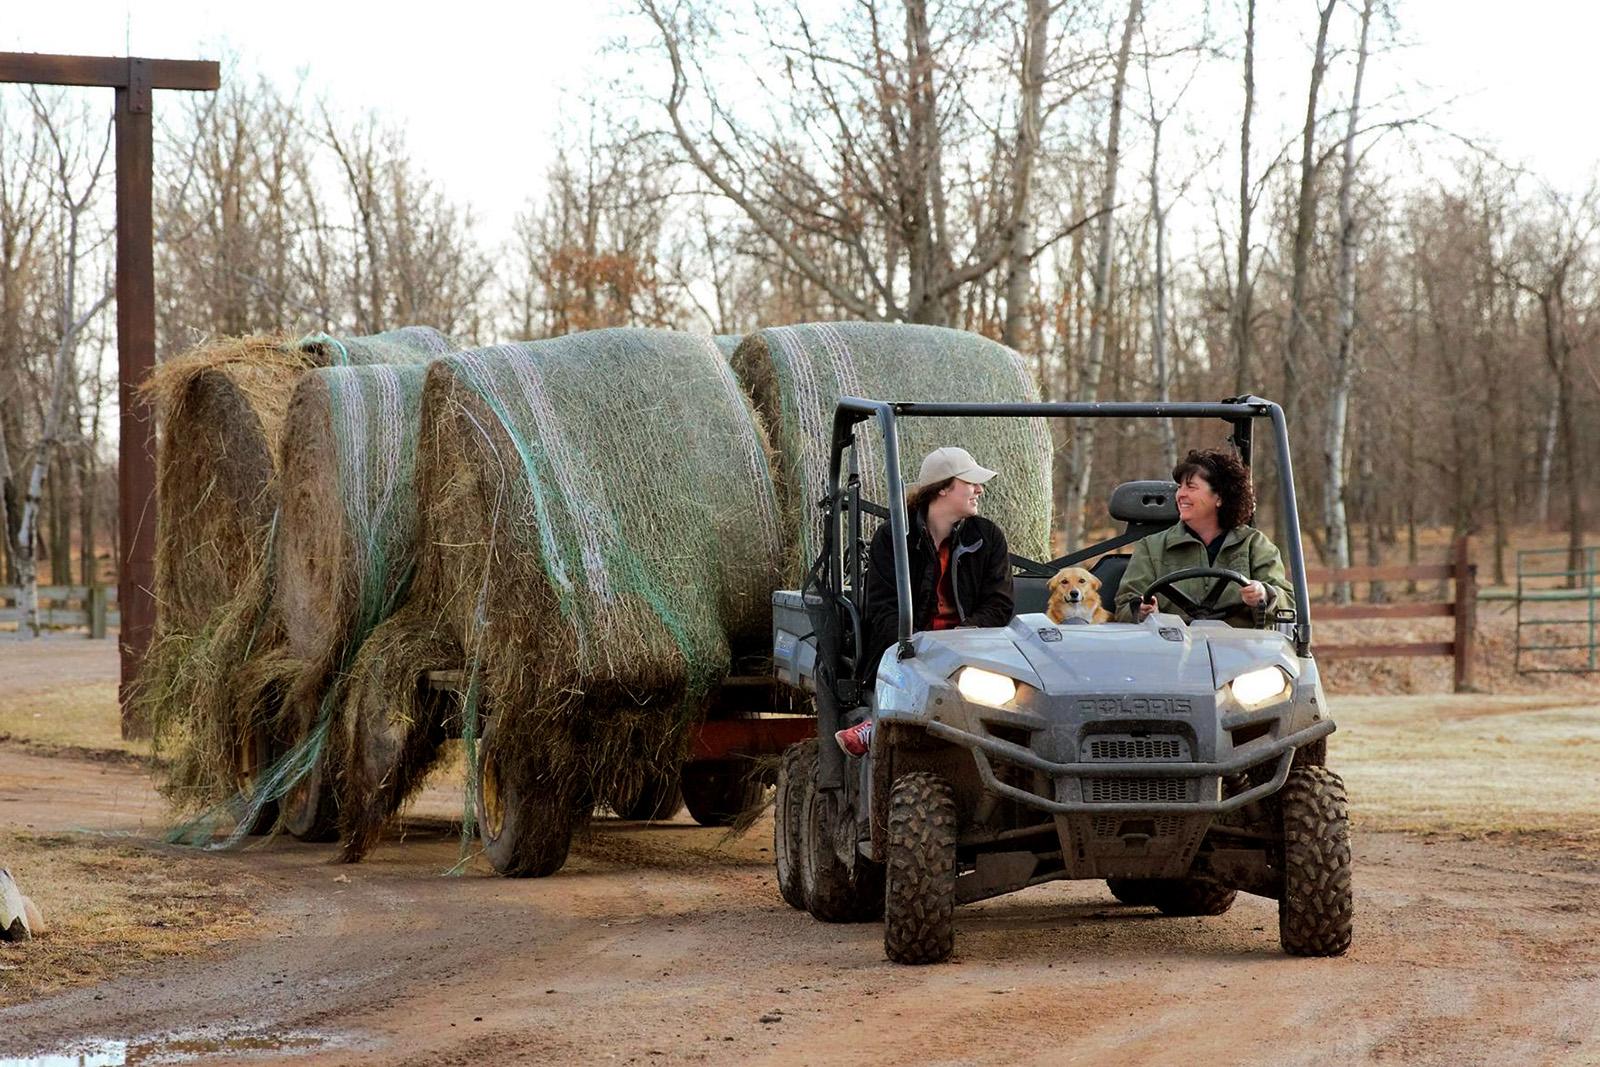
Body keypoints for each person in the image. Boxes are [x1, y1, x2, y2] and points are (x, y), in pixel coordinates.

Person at [837, 446, 1014, 756]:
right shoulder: (893, 537)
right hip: (908, 648)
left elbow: (999, 604)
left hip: (968, 651)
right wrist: (916, 647)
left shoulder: (988, 537)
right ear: (944, 488)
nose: (979, 489)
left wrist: (965, 634)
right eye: (970, 482)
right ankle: (878, 722)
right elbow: (882, 609)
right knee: (917, 688)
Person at [1114, 448, 1291, 628]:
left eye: (1191, 487)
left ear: (1219, 497)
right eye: (1179, 487)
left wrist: (1264, 594)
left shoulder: (1253, 544)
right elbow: (1124, 607)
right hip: (1171, 647)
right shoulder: (1152, 547)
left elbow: (1289, 602)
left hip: (1241, 648)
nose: (1180, 494)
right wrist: (1140, 609)